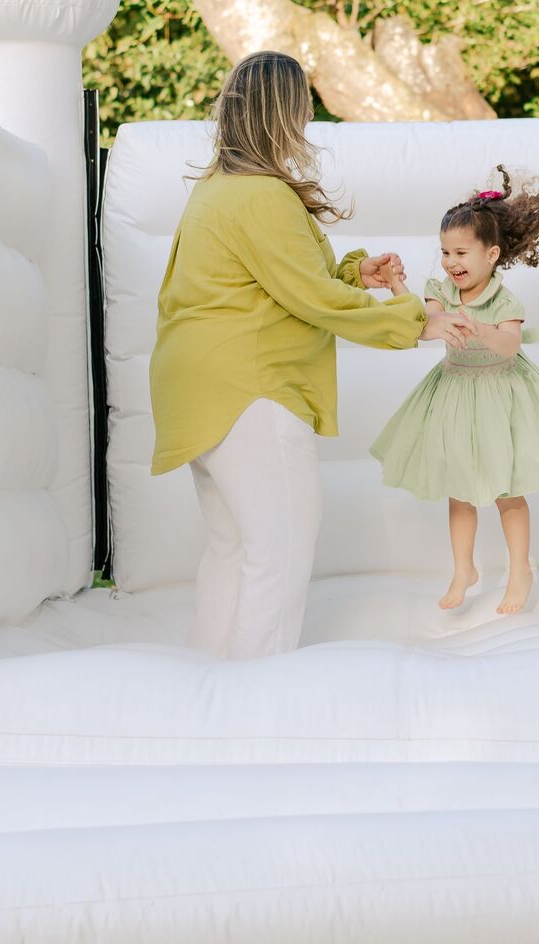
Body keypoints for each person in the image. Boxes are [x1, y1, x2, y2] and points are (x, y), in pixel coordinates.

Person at [150, 51, 469, 659]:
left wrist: (355, 273)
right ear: (282, 112)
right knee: (282, 545)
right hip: (250, 389)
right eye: (302, 107)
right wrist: (414, 320)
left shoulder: (216, 190)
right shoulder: (261, 196)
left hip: (199, 391)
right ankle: (257, 695)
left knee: (233, 547)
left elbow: (274, 280)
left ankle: (208, 685)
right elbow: (312, 298)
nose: (308, 119)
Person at [373, 168, 539, 616]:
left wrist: (479, 328)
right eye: (445, 252)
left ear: (491, 254)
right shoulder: (441, 291)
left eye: (461, 252)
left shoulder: (503, 300)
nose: (450, 262)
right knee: (459, 488)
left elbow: (510, 345)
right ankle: (464, 569)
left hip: (500, 395)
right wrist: (396, 284)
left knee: (506, 490)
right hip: (456, 392)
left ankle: (519, 570)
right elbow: (423, 323)